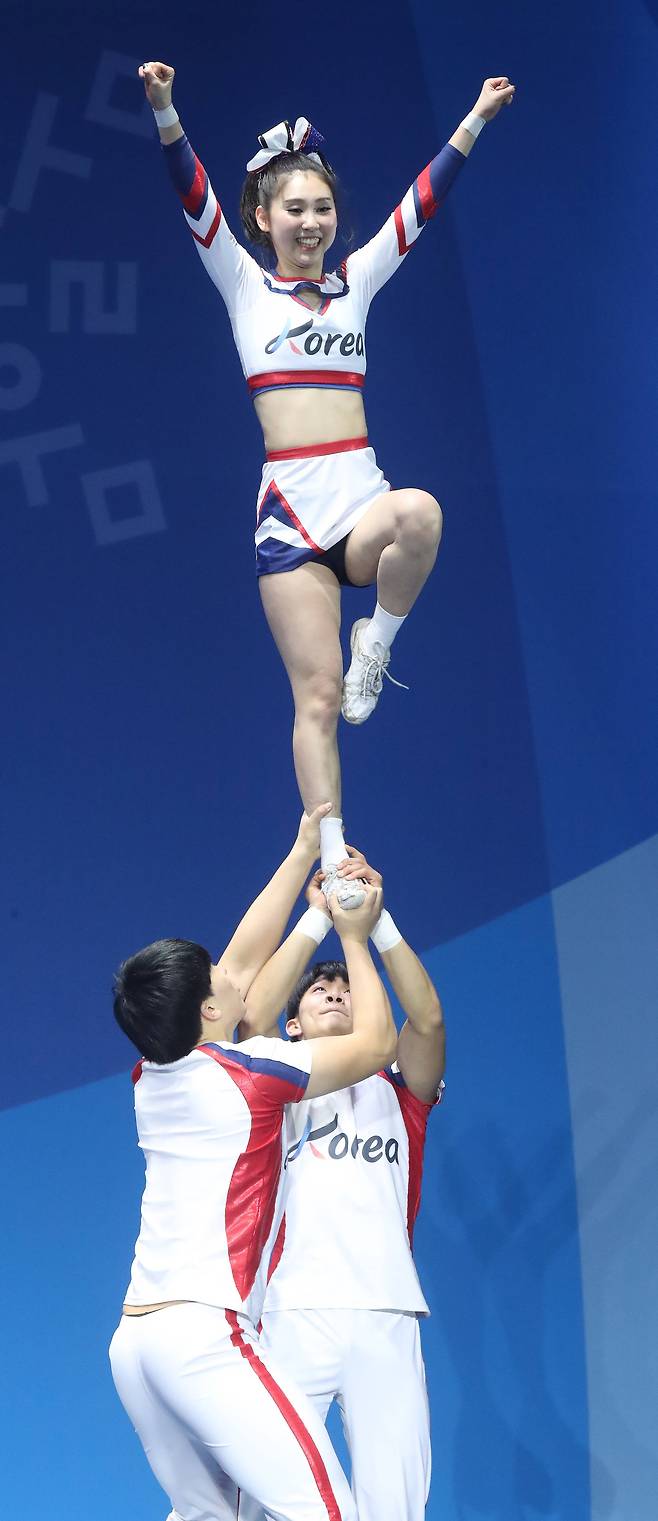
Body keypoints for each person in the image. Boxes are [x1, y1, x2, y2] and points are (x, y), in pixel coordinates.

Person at [136, 62, 515, 905]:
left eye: (323, 208)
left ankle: (375, 643)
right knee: (313, 699)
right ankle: (334, 852)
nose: (312, 223)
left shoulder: (357, 281)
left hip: (359, 499)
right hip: (289, 521)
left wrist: (476, 118)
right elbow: (192, 193)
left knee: (420, 513)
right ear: (263, 218)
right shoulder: (241, 282)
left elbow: (421, 205)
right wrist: (165, 107)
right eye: (295, 209)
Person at [108, 805, 397, 1521]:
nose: (232, 969)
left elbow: (238, 963)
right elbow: (376, 1045)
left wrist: (304, 848)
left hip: (136, 1347)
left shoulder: (153, 1068)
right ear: (208, 1010)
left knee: (209, 1518)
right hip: (207, 1337)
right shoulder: (255, 1071)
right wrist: (354, 940)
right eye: (218, 976)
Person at [239, 846, 445, 1521]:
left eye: (347, 991)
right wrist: (321, 917)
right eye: (320, 992)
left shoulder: (403, 1092)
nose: (334, 993)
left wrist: (372, 928)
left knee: (396, 1509)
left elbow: (427, 1021)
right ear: (296, 1024)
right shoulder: (280, 1082)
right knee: (258, 1498)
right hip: (293, 1310)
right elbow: (252, 1015)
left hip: (386, 1311)